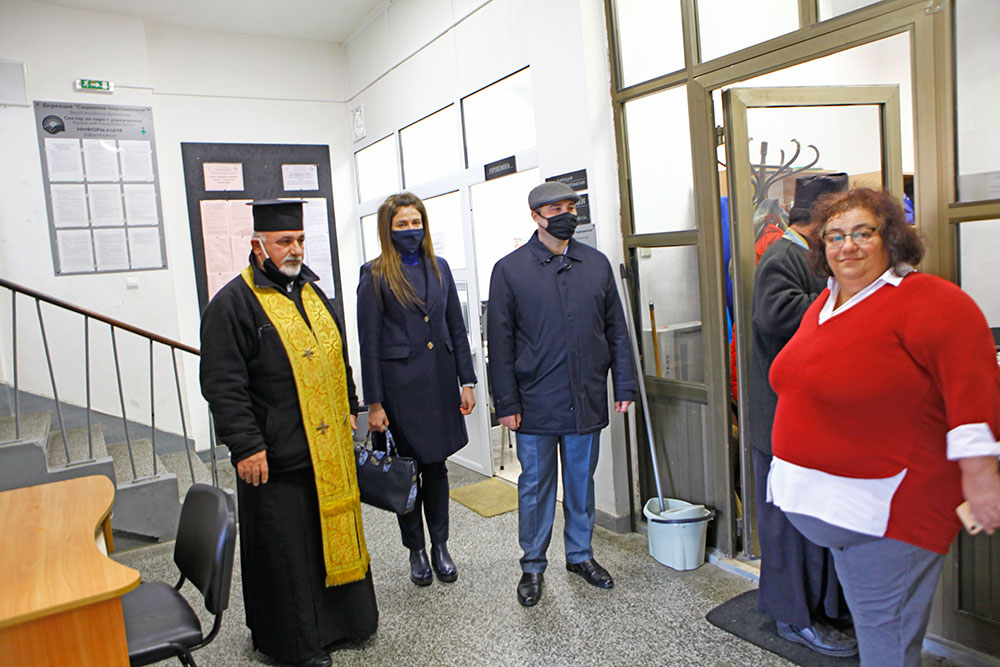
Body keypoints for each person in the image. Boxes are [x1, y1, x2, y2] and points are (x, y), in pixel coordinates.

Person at [768, 188, 1000, 666]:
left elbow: (973, 392)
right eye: (835, 236)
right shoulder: (827, 300)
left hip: (891, 509)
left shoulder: (929, 299)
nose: (847, 246)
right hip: (838, 512)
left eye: (862, 233)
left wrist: (981, 478)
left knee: (886, 650)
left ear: (891, 238)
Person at [200, 200, 377, 667]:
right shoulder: (233, 304)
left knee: (326, 544)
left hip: (327, 452)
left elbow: (336, 354)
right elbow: (222, 384)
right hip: (275, 459)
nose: (295, 249)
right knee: (289, 557)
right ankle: (297, 645)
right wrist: (246, 445)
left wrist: (350, 405)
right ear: (258, 246)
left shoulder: (312, 292)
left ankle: (346, 624)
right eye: (284, 241)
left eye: (299, 239)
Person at [487, 181, 637, 608]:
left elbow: (616, 330)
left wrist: (624, 383)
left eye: (571, 206)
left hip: (585, 397)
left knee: (580, 482)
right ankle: (533, 565)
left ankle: (580, 555)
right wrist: (506, 403)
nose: (567, 214)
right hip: (534, 401)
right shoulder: (510, 270)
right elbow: (500, 342)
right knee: (535, 486)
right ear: (535, 216)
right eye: (556, 209)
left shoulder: (595, 264)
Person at [748, 174, 856, 657]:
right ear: (816, 222)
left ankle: (825, 609)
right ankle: (794, 618)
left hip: (813, 418)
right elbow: (775, 317)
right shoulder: (782, 257)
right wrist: (846, 296)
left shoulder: (811, 258)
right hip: (779, 421)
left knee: (816, 521)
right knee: (788, 525)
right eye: (838, 230)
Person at [357, 192, 477, 586]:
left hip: (440, 385)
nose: (411, 230)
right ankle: (416, 550)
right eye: (402, 224)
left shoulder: (439, 268)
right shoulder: (375, 275)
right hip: (399, 392)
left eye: (415, 222)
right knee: (406, 472)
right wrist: (374, 404)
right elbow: (369, 344)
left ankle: (441, 545)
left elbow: (456, 327)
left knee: (437, 468)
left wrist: (467, 381)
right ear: (388, 229)